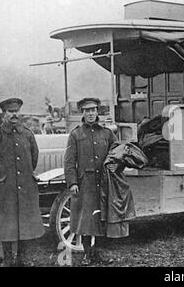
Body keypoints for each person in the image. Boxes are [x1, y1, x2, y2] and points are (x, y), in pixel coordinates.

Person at [0, 98, 45, 267]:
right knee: (6, 225)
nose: (14, 115)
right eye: (10, 112)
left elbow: (34, 157)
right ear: (3, 114)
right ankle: (8, 259)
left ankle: (22, 258)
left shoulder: (27, 134)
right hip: (5, 188)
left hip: (25, 187)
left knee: (25, 223)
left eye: (16, 111)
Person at [64, 98, 117, 266]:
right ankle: (87, 254)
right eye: (87, 111)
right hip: (85, 183)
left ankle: (98, 253)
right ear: (83, 113)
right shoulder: (76, 134)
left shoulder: (107, 133)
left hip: (103, 182)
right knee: (86, 220)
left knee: (102, 217)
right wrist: (72, 182)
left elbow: (117, 154)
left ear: (97, 112)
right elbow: (69, 161)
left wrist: (115, 171)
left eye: (93, 110)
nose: (91, 113)